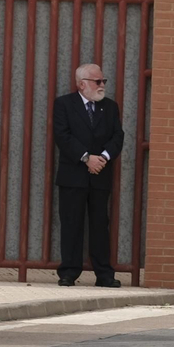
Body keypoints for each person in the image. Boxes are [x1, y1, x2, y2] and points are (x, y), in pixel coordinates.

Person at [53, 64, 125, 287]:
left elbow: (117, 136)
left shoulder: (110, 107)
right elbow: (62, 136)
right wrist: (86, 157)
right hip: (73, 175)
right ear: (82, 83)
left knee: (99, 226)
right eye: (98, 81)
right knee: (71, 224)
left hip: (100, 175)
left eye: (103, 81)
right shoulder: (64, 104)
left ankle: (104, 274)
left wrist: (102, 157)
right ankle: (68, 272)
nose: (102, 85)